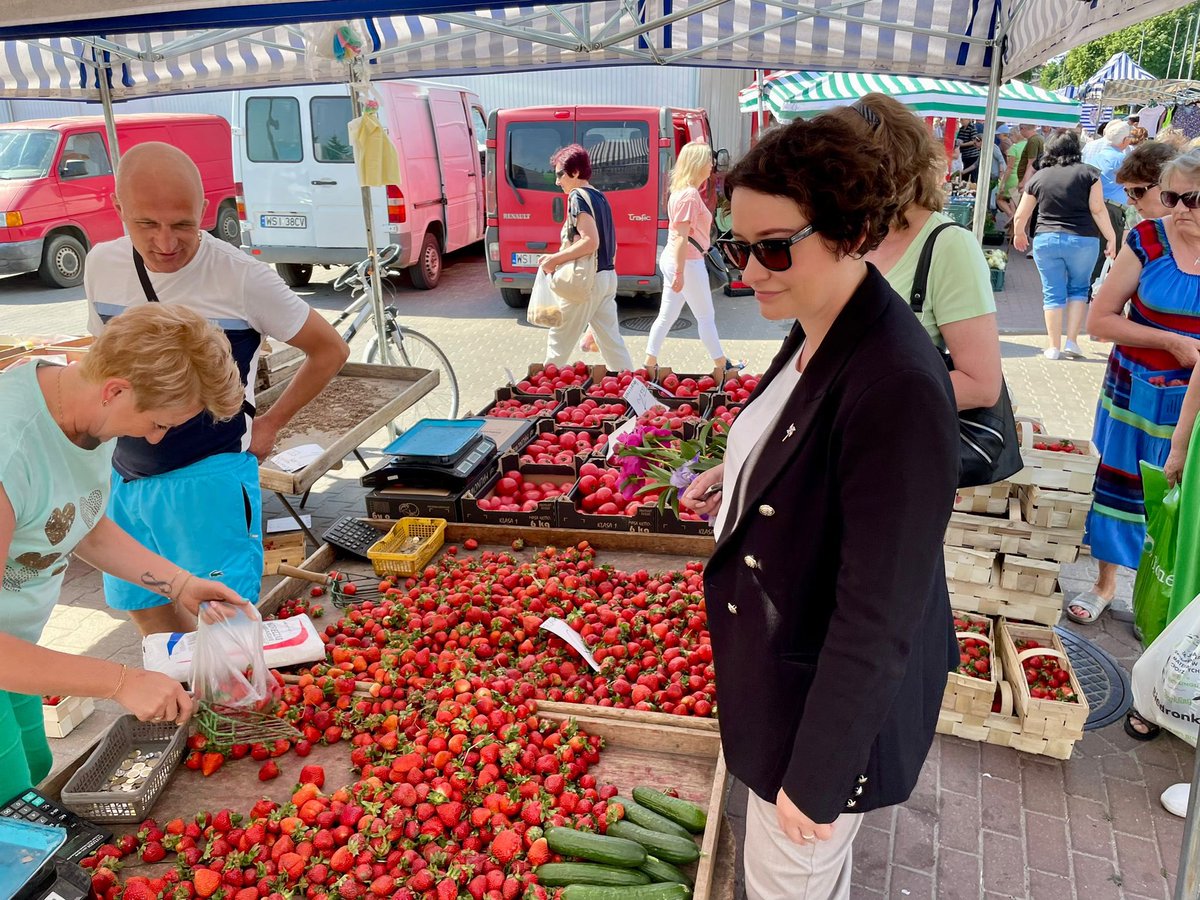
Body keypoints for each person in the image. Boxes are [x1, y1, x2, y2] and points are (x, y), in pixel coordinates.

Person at [680, 112, 959, 900]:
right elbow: (794, 443)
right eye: (738, 248)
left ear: (851, 232)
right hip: (782, 679)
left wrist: (820, 774)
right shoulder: (818, 321)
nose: (749, 272)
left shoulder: (896, 384)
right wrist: (731, 479)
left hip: (817, 712)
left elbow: (882, 609)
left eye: (773, 248)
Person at [85, 142, 349, 637]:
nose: (166, 242)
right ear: (118, 208)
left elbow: (330, 350)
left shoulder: (242, 277)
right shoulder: (101, 264)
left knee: (223, 627)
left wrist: (270, 423)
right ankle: (181, 699)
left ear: (205, 210)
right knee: (146, 609)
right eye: (147, 224)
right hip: (123, 477)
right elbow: (104, 362)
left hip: (209, 477)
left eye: (182, 224)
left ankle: (223, 707)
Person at [0, 304, 251, 802]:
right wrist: (119, 681)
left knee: (34, 767)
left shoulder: (79, 413)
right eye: (156, 423)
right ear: (115, 389)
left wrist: (180, 585)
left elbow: (79, 523)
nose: (154, 438)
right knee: (12, 811)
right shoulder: (10, 450)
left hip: (16, 647)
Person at [1079, 147, 1200, 630]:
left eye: (1190, 199)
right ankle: (1106, 584)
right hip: (1133, 390)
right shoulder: (1147, 239)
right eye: (1170, 196)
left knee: (1184, 497)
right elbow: (1099, 321)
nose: (1178, 210)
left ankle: (1173, 594)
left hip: (1193, 401)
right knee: (1120, 486)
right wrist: (1170, 341)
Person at [840, 93, 1002, 412]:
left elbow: (981, 385)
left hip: (894, 444)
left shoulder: (948, 245)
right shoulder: (850, 235)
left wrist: (855, 401)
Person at [1012, 132, 1117, 360]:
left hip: (1046, 239)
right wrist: (1111, 237)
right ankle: (1072, 341)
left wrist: (1018, 233)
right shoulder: (1090, 173)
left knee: (1052, 292)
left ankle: (1052, 346)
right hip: (1083, 239)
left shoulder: (1039, 177)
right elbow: (1098, 209)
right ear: (1076, 148)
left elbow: (1022, 213)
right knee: (1079, 289)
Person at [539, 144, 634, 372]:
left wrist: (555, 260)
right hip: (607, 277)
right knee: (612, 343)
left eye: (560, 174)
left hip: (587, 282)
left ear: (576, 172)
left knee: (559, 340)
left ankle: (541, 392)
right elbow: (609, 242)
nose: (557, 181)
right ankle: (633, 390)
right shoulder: (599, 196)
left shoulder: (577, 197)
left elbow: (590, 241)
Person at [644, 141, 735, 373]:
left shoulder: (680, 192)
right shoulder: (690, 195)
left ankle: (649, 363)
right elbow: (683, 237)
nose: (711, 165)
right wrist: (680, 273)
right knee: (705, 316)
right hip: (687, 261)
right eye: (708, 161)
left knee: (667, 315)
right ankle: (722, 365)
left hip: (678, 258)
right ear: (696, 164)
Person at [1083, 119, 1134, 291]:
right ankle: (1095, 286)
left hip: (1093, 205)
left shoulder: (1097, 156)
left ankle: (1087, 283)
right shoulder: (1122, 160)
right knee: (1108, 249)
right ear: (1124, 140)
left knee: (1094, 247)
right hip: (1112, 209)